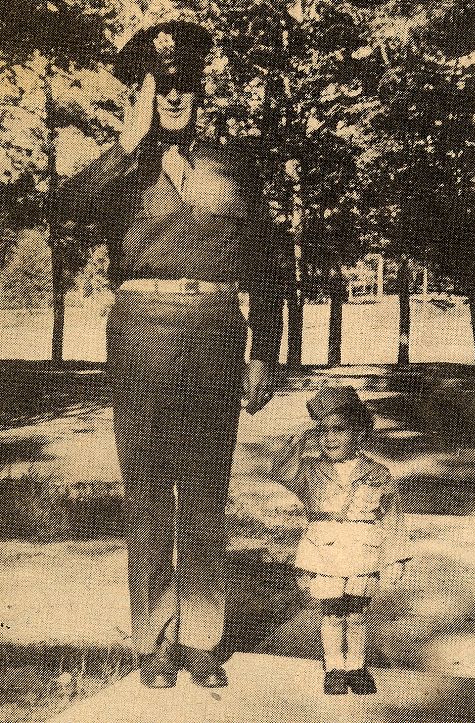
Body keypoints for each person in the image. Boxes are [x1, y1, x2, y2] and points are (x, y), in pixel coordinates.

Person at [54, 19, 284, 689]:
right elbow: (64, 212)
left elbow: (268, 262)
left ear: (200, 89)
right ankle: (155, 643)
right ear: (142, 93)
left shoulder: (234, 166)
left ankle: (203, 638)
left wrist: (264, 349)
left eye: (184, 83)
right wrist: (125, 144)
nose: (175, 96)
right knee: (150, 490)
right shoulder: (122, 167)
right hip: (142, 333)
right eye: (161, 85)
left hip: (217, 329)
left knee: (206, 489)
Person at [271, 386, 410, 696]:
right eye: (323, 431)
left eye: (339, 430)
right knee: (332, 611)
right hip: (325, 551)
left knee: (357, 612)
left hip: (364, 551)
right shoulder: (310, 471)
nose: (329, 439)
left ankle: (356, 666)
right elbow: (280, 471)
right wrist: (299, 438)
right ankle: (334, 666)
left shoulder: (377, 473)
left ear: (358, 433)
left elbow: (393, 516)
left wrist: (397, 558)